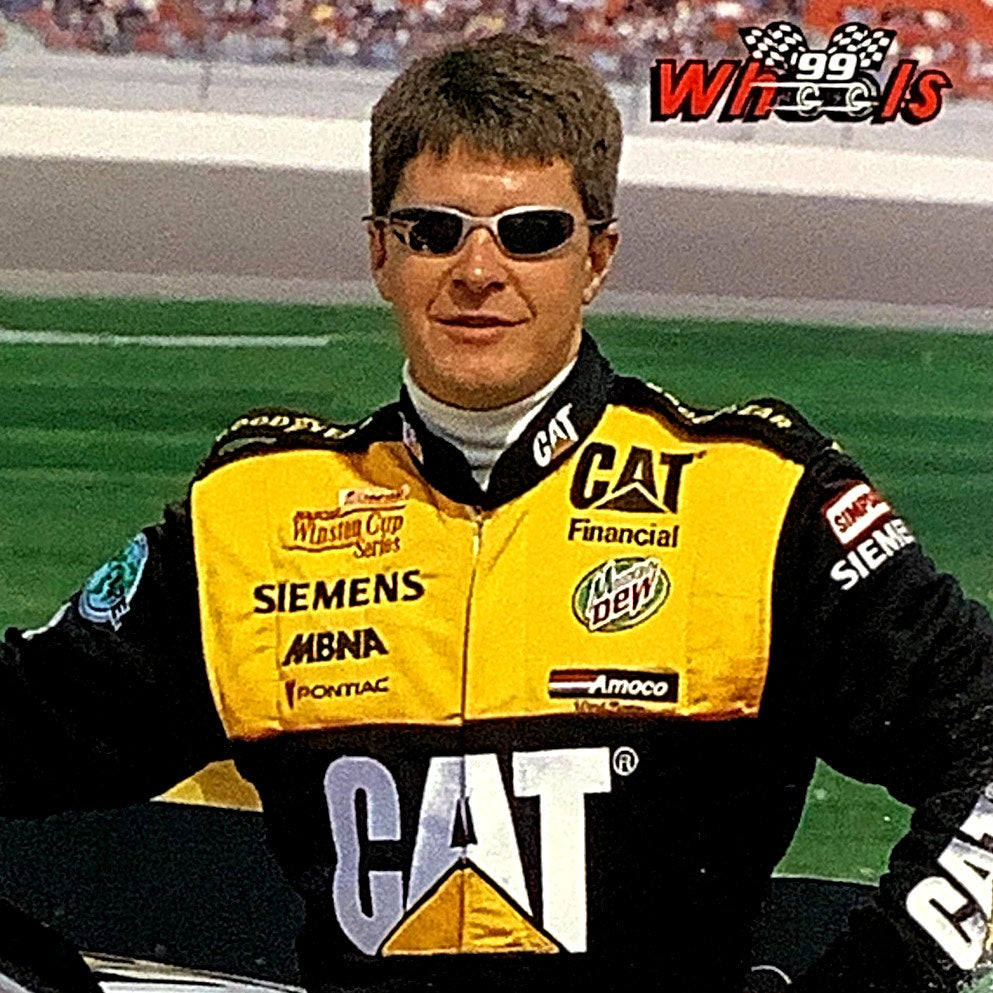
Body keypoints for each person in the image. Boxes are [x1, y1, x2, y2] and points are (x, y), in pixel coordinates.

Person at [2, 31, 993, 993]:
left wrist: (883, 973)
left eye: (531, 233)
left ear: (596, 257)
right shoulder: (254, 518)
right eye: (434, 231)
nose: (478, 271)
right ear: (381, 254)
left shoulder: (755, 500)